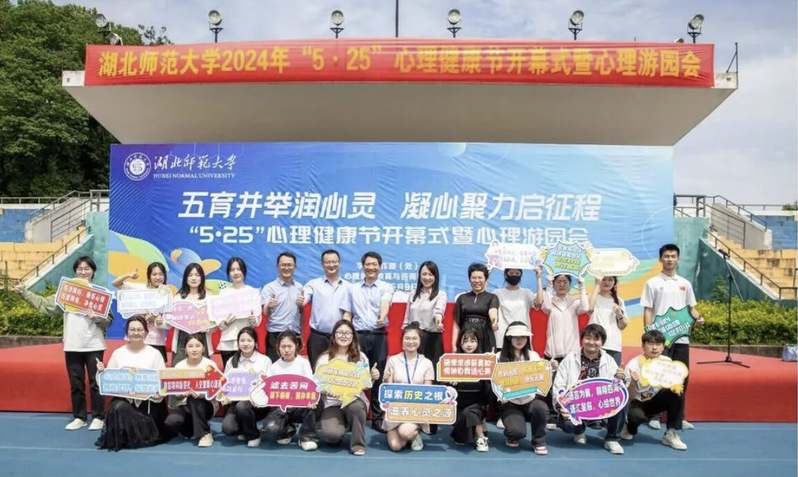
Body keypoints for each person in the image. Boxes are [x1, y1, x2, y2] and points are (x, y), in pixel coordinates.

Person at [16, 256, 110, 431]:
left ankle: (98, 417)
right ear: (75, 271)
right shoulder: (67, 292)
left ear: (93, 272)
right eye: (80, 269)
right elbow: (45, 305)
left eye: (87, 269)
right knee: (76, 383)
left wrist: (97, 319)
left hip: (94, 345)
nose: (83, 272)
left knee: (96, 382)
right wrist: (24, 293)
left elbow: (108, 320)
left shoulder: (99, 293)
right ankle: (80, 417)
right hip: (72, 345)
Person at [641, 243, 704, 431]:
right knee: (658, 375)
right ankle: (654, 415)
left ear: (678, 259)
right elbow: (648, 310)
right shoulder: (652, 283)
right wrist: (649, 334)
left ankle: (678, 416)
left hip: (682, 338)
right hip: (661, 340)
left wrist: (699, 318)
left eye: (673, 256)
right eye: (666, 256)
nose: (669, 259)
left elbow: (691, 308)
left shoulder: (685, 283)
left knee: (681, 376)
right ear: (660, 259)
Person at [95, 316, 171, 451]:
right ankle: (121, 436)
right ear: (127, 332)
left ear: (146, 332)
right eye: (132, 330)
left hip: (148, 402)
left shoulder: (155, 354)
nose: (136, 333)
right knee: (117, 407)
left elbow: (162, 382)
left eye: (140, 330)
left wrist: (159, 394)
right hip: (125, 399)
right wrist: (101, 373)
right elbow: (107, 383)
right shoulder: (118, 353)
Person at [339, 251, 394, 432]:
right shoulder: (352, 288)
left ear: (380, 267)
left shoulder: (386, 287)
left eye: (374, 264)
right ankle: (351, 416)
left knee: (378, 376)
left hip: (378, 335)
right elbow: (347, 313)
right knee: (354, 374)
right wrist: (343, 333)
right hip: (358, 337)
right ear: (362, 266)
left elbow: (385, 304)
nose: (371, 267)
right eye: (368, 264)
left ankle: (377, 418)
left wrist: (382, 317)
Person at [552, 324, 627, 455]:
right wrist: (563, 406)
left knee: (621, 400)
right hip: (576, 406)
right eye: (588, 338)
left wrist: (619, 378)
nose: (591, 342)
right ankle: (579, 431)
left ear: (602, 342)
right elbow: (559, 385)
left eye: (596, 339)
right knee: (569, 425)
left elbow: (615, 389)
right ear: (582, 339)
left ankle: (612, 439)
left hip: (601, 405)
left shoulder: (609, 360)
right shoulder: (570, 359)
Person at [316, 320, 380, 455]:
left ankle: (357, 444)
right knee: (332, 436)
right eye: (340, 332)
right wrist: (326, 390)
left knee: (355, 408)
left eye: (347, 333)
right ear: (334, 336)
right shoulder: (324, 358)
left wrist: (373, 377)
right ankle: (344, 424)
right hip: (332, 403)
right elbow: (317, 384)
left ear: (353, 336)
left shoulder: (361, 358)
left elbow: (365, 386)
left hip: (354, 400)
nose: (343, 336)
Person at [621, 330, 688, 450]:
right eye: (651, 343)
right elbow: (629, 398)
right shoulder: (633, 365)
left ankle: (671, 433)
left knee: (678, 393)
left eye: (658, 344)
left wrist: (675, 387)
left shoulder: (667, 363)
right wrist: (633, 382)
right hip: (637, 402)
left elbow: (672, 384)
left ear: (663, 347)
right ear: (643, 346)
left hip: (656, 401)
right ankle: (629, 428)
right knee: (636, 417)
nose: (654, 348)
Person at [402, 260, 447, 434]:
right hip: (414, 339)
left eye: (430, 274)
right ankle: (413, 418)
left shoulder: (440, 294)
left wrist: (439, 321)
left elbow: (438, 311)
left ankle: (431, 421)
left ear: (436, 276)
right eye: (424, 274)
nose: (427, 277)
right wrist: (405, 338)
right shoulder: (412, 295)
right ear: (419, 276)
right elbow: (406, 319)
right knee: (413, 377)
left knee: (431, 380)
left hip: (432, 339)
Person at [540, 273, 588, 428]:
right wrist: (548, 285)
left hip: (571, 353)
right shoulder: (550, 301)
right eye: (558, 282)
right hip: (552, 352)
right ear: (554, 284)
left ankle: (572, 414)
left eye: (565, 282)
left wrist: (582, 287)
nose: (561, 284)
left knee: (571, 385)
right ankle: (552, 415)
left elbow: (586, 308)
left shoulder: (574, 302)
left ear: (569, 284)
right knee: (551, 386)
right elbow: (545, 307)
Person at [496, 322, 550, 455]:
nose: (519, 340)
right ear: (509, 338)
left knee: (541, 408)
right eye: (515, 337)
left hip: (529, 399)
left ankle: (538, 442)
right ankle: (512, 434)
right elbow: (493, 381)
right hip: (510, 402)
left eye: (523, 337)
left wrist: (550, 368)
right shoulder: (499, 357)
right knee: (516, 432)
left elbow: (542, 378)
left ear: (527, 338)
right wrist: (500, 395)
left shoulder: (533, 356)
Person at [262, 330, 319, 451]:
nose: (287, 350)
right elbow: (269, 390)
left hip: (300, 406)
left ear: (296, 345)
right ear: (278, 347)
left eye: (290, 346)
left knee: (313, 407)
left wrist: (310, 399)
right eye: (283, 346)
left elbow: (310, 385)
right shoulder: (274, 367)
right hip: (281, 408)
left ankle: (307, 437)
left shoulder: (303, 363)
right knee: (270, 429)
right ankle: (286, 430)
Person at [383, 322, 435, 452]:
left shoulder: (427, 363)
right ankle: (405, 435)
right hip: (396, 409)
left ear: (420, 341)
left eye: (414, 338)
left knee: (405, 432)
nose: (411, 342)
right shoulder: (393, 361)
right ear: (402, 340)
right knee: (396, 446)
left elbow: (428, 393)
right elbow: (388, 390)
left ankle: (414, 433)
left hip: (415, 410)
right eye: (407, 338)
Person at [219, 327, 272, 447]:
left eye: (249, 340)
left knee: (242, 406)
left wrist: (259, 398)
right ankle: (245, 428)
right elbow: (226, 384)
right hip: (237, 402)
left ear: (255, 342)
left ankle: (253, 435)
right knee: (228, 428)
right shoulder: (232, 361)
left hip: (258, 405)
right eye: (242, 340)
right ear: (238, 343)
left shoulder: (264, 360)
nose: (245, 344)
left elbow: (269, 384)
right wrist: (225, 396)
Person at [164, 333, 219, 447]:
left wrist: (203, 394)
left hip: (206, 404)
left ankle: (205, 434)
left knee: (194, 399)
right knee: (171, 421)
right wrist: (183, 394)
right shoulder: (179, 366)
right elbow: (176, 394)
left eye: (198, 346)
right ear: (185, 349)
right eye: (190, 346)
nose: (194, 349)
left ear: (203, 348)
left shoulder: (210, 365)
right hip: (184, 405)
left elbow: (217, 389)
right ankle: (194, 430)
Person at [301, 249, 350, 369]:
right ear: (322, 264)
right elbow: (304, 297)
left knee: (340, 371)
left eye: (334, 262)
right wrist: (301, 300)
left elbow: (349, 313)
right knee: (317, 372)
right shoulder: (313, 284)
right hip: (318, 337)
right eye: (328, 262)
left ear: (339, 263)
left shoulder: (348, 287)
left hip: (339, 338)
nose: (331, 265)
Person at [111, 262, 169, 361]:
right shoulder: (140, 289)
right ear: (149, 276)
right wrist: (128, 275)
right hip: (137, 338)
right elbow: (115, 283)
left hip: (156, 341)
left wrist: (154, 320)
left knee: (157, 369)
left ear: (164, 276)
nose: (158, 277)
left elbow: (168, 325)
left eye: (160, 274)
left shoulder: (167, 295)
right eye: (154, 274)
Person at [449, 326, 492, 452]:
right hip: (458, 407)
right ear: (460, 343)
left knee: (471, 411)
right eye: (465, 341)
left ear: (478, 342)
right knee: (460, 440)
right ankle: (469, 429)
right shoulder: (451, 362)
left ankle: (481, 436)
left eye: (472, 341)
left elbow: (489, 393)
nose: (469, 345)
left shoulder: (485, 361)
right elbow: (446, 393)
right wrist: (452, 384)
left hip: (477, 406)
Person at [217, 258, 261, 368]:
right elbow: (220, 325)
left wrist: (253, 319)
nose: (236, 272)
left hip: (247, 342)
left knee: (248, 374)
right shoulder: (223, 293)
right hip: (227, 342)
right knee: (230, 375)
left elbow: (257, 322)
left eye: (239, 269)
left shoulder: (252, 292)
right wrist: (225, 323)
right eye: (232, 270)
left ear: (244, 271)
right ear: (228, 273)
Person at [261, 252, 304, 362]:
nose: (286, 268)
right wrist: (269, 306)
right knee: (274, 367)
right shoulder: (269, 288)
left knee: (293, 367)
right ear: (278, 266)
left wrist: (301, 334)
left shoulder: (300, 288)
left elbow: (301, 313)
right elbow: (265, 313)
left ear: (295, 267)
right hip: (275, 334)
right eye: (283, 265)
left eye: (290, 265)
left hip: (294, 333)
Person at [171, 263, 215, 365]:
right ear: (185, 278)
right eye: (190, 275)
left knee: (203, 372)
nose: (194, 278)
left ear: (202, 278)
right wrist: (160, 321)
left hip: (202, 340)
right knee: (179, 372)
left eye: (197, 275)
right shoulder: (178, 298)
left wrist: (209, 327)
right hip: (181, 342)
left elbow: (215, 324)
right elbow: (169, 322)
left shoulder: (210, 298)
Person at [452, 263, 499, 354]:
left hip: (485, 335)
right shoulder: (462, 298)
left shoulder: (492, 297)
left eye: (480, 278)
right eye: (474, 278)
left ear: (486, 279)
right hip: (466, 337)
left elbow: (493, 311)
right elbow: (456, 324)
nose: (477, 281)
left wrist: (494, 320)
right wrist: (453, 344)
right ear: (469, 279)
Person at [587, 276, 628, 366]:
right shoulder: (593, 296)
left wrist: (619, 314)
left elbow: (622, 326)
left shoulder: (619, 300)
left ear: (614, 282)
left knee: (613, 374)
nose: (606, 282)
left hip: (613, 345)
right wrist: (597, 284)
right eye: (604, 279)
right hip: (595, 343)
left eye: (610, 280)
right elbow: (590, 308)